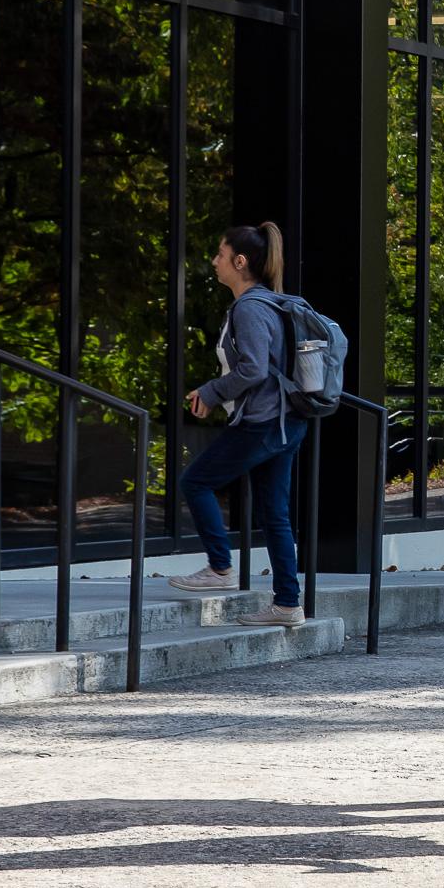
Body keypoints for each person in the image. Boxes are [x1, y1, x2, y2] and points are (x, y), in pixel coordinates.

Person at [169, 223, 310, 628]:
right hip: (285, 423)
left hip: (263, 423)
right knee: (276, 515)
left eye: (220, 254)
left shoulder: (249, 307)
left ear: (240, 261)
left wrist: (211, 392)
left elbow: (252, 368)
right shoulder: (272, 303)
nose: (214, 261)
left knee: (195, 482)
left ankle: (219, 569)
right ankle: (287, 605)